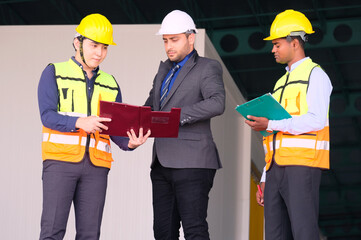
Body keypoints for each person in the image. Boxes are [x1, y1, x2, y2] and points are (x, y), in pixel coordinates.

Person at [37, 13, 150, 240]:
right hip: (60, 162)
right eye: (94, 45)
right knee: (52, 232)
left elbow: (115, 128)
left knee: (90, 235)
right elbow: (47, 116)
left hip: (97, 168)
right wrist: (79, 122)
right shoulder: (54, 72)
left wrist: (130, 143)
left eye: (104, 47)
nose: (99, 53)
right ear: (77, 42)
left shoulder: (110, 83)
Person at [245, 9, 332, 240]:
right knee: (273, 234)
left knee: (304, 232)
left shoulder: (316, 75)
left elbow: (315, 119)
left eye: (277, 44)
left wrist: (271, 122)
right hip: (275, 168)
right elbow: (273, 134)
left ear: (294, 43)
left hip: (303, 166)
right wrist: (265, 176)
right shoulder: (280, 82)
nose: (273, 49)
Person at [144, 10, 225, 240]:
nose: (169, 46)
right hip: (161, 163)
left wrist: (175, 116)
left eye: (174, 39)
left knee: (194, 230)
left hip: (194, 162)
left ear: (191, 38)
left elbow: (217, 103)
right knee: (162, 233)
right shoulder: (163, 72)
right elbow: (150, 108)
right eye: (165, 40)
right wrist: (130, 123)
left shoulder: (207, 68)